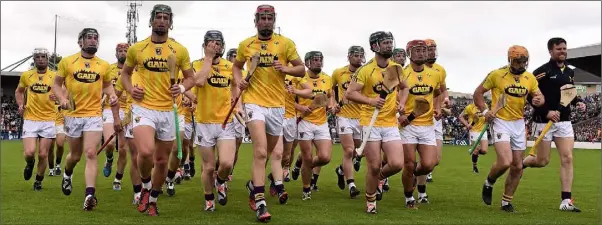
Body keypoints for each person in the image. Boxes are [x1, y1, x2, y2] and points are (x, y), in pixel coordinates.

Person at [119, 4, 196, 216]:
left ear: (170, 22)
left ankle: (152, 198)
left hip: (169, 111)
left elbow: (191, 78)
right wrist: (129, 90)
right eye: (158, 17)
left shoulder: (179, 50)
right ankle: (145, 185)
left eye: (165, 17)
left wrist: (180, 88)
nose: (162, 21)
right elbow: (125, 74)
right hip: (144, 107)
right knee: (145, 152)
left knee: (162, 160)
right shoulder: (138, 49)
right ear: (151, 20)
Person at [231, 4, 305, 222]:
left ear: (274, 20)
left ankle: (253, 184)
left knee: (269, 152)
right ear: (256, 21)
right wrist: (239, 81)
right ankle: (260, 202)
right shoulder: (246, 44)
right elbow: (236, 67)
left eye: (269, 18)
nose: (265, 21)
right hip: (254, 102)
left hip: (277, 105)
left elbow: (300, 68)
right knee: (261, 152)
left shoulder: (285, 43)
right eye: (261, 18)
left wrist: (286, 69)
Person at [52, 28, 120, 210]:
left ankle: (90, 194)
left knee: (90, 153)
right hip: (73, 115)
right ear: (80, 41)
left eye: (95, 38)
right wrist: (63, 99)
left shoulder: (103, 65)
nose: (92, 41)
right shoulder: (67, 61)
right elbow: (56, 85)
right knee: (74, 156)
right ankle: (67, 174)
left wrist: (112, 95)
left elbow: (107, 86)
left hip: (93, 115)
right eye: (88, 37)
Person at [474, 45, 545, 212]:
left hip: (519, 123)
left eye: (523, 61)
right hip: (500, 121)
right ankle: (489, 181)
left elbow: (539, 96)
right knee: (505, 162)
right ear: (510, 60)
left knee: (518, 166)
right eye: (517, 61)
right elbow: (477, 93)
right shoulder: (497, 74)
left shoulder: (530, 78)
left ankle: (506, 201)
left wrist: (538, 100)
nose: (521, 64)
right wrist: (485, 111)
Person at [522, 37, 585, 212]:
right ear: (551, 51)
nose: (563, 51)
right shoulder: (541, 72)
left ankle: (566, 201)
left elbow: (569, 91)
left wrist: (577, 101)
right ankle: (522, 164)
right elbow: (529, 95)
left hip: (564, 121)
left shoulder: (570, 72)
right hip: (543, 120)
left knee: (567, 158)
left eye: (565, 48)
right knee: (542, 160)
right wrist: (546, 111)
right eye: (559, 49)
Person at [346, 31, 406, 214]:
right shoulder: (365, 70)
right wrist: (371, 101)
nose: (389, 45)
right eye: (385, 43)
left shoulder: (396, 68)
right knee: (373, 164)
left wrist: (402, 103)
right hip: (369, 122)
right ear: (374, 46)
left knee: (396, 163)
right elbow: (350, 93)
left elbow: (404, 88)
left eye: (390, 42)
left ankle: (379, 178)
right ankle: (371, 200)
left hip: (389, 123)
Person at [192, 30, 238, 212]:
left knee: (226, 163)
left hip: (225, 121)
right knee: (209, 167)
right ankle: (209, 198)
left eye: (217, 43)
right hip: (204, 122)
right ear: (204, 45)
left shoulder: (230, 66)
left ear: (222, 45)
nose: (214, 46)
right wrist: (208, 59)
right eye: (210, 43)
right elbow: (200, 82)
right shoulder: (196, 64)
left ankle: (220, 182)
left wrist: (238, 103)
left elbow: (235, 87)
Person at [399, 40, 441, 208]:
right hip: (408, 125)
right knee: (409, 163)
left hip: (427, 125)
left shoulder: (434, 74)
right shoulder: (402, 74)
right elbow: (393, 95)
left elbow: (437, 93)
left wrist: (437, 108)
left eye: (424, 50)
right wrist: (399, 112)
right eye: (417, 51)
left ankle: (411, 176)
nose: (422, 53)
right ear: (409, 53)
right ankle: (409, 197)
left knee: (430, 164)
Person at [16, 47, 58, 191]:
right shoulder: (26, 75)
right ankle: (30, 163)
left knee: (43, 154)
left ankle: (38, 180)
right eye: (38, 57)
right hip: (30, 119)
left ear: (47, 59)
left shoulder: (55, 76)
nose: (40, 59)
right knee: (29, 152)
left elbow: (65, 94)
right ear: (34, 59)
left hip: (48, 119)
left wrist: (57, 97)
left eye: (43, 56)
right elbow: (19, 91)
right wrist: (21, 104)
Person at [296, 51, 334, 200]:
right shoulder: (299, 78)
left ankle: (302, 163)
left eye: (320, 60)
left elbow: (330, 97)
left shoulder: (327, 78)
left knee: (325, 157)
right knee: (308, 157)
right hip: (304, 121)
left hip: (322, 122)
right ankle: (306, 189)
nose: (319, 62)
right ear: (307, 63)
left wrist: (331, 106)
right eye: (315, 60)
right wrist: (300, 108)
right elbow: (288, 100)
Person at [331, 46, 365, 198]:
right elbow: (330, 90)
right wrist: (332, 104)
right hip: (344, 116)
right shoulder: (339, 73)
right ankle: (351, 185)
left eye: (360, 55)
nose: (358, 58)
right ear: (349, 56)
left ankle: (340, 170)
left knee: (360, 151)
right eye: (355, 55)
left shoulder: (366, 73)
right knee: (349, 151)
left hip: (361, 116)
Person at [114, 65, 144, 205]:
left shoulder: (159, 73)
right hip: (134, 116)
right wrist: (117, 118)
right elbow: (114, 99)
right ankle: (138, 192)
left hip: (157, 115)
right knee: (135, 156)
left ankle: (149, 185)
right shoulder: (125, 76)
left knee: (152, 156)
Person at [103, 43, 130, 191]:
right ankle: (109, 159)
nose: (123, 53)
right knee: (110, 144)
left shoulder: (135, 70)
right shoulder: (109, 69)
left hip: (128, 110)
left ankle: (118, 178)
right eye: (120, 50)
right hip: (110, 108)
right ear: (116, 53)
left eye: (126, 50)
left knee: (124, 150)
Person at [422, 39, 449, 183]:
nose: (432, 52)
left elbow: (443, 90)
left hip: (436, 117)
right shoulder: (415, 69)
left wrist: (446, 101)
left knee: (436, 160)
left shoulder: (440, 70)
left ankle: (417, 172)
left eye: (434, 49)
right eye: (429, 49)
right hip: (419, 117)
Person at [458, 103, 489, 173]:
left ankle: (474, 153)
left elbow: (487, 116)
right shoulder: (469, 107)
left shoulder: (485, 105)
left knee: (484, 151)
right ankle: (474, 166)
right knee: (476, 150)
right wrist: (467, 124)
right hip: (474, 131)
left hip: (483, 130)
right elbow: (460, 117)